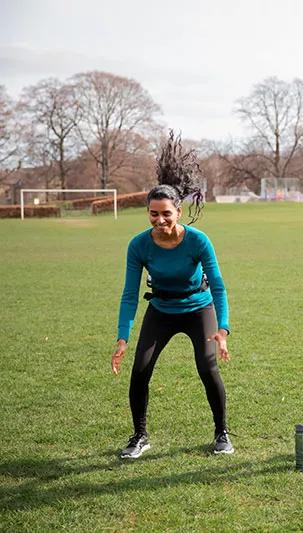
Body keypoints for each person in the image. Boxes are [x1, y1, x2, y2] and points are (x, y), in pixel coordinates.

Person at [111, 131, 233, 459]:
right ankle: (139, 435)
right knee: (140, 371)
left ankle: (222, 433)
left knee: (208, 368)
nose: (160, 220)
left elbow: (218, 285)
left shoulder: (198, 240)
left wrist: (222, 329)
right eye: (154, 214)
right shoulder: (139, 245)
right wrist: (123, 337)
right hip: (162, 309)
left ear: (178, 210)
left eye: (166, 213)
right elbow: (129, 294)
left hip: (198, 308)